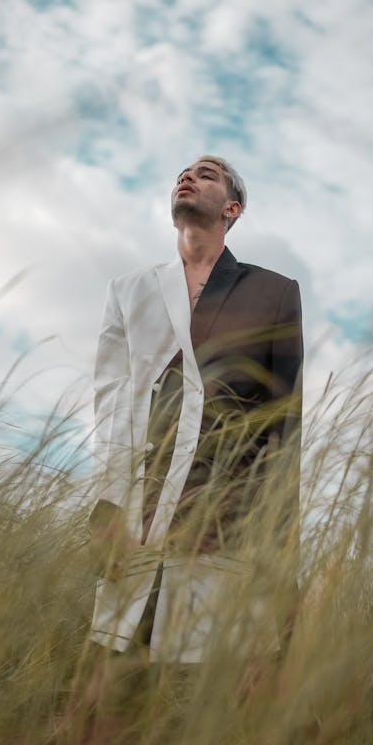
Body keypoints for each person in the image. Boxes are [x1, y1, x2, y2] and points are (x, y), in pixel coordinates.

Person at [88, 156, 303, 664]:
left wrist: (277, 545)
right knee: (112, 684)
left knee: (200, 690)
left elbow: (283, 423)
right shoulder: (129, 290)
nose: (188, 177)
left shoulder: (273, 292)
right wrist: (108, 506)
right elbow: (110, 401)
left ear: (232, 207)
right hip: (138, 513)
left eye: (206, 174)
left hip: (224, 520)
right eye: (183, 173)